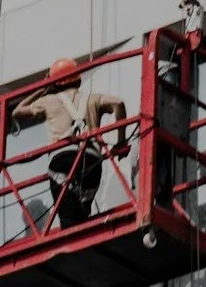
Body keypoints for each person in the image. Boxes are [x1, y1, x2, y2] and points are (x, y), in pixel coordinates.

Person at [13, 57, 128, 226]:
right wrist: (121, 142)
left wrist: (44, 89)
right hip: (91, 159)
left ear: (55, 84)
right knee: (83, 210)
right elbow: (118, 104)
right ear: (78, 80)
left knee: (69, 220)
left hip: (63, 159)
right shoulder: (92, 98)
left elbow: (17, 112)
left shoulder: (48, 102)